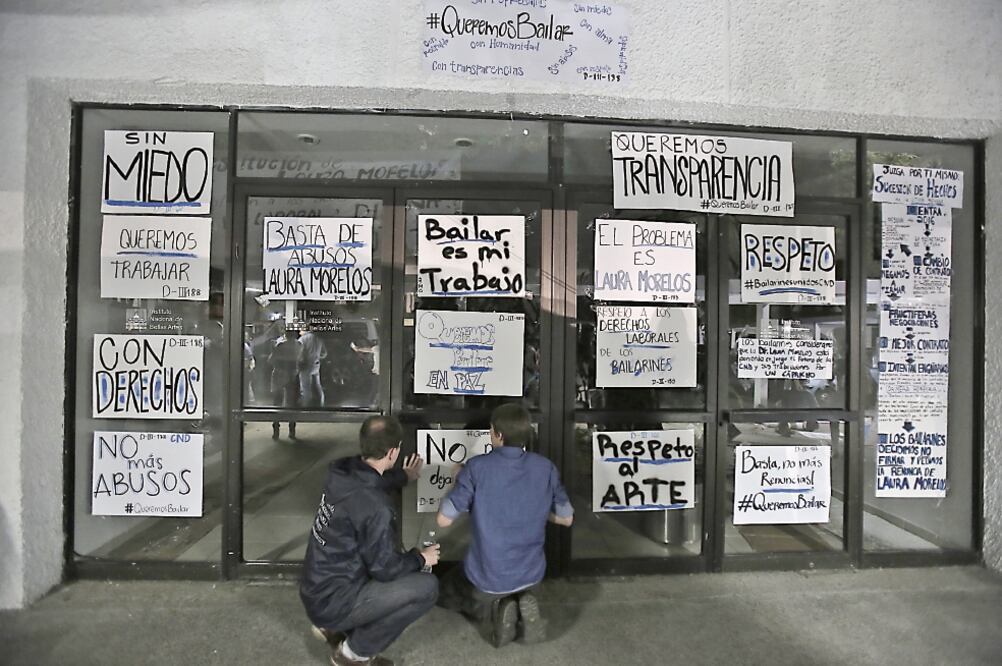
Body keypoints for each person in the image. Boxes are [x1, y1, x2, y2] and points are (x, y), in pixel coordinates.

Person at [301, 416, 440, 666]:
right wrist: (421, 557)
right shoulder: (377, 508)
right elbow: (386, 569)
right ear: (394, 451)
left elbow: (368, 483)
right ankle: (353, 653)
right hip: (335, 600)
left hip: (316, 588)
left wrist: (404, 476)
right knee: (426, 587)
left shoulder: (341, 470)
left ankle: (330, 629)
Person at [436, 403, 573, 648]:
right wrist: (539, 509)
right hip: (533, 573)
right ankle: (520, 604)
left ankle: (496, 610)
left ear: (497, 434)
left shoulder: (476, 468)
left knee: (449, 589)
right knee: (515, 579)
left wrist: (455, 481)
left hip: (488, 575)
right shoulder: (545, 467)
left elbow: (443, 519)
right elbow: (566, 518)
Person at [269, 323, 302, 439]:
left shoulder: (280, 346)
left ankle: (276, 430)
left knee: (277, 403)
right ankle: (292, 431)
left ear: (286, 334)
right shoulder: (299, 345)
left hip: (279, 375)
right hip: (293, 375)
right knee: (292, 404)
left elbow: (271, 360)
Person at [298, 324, 328, 407]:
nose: (299, 331)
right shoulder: (319, 339)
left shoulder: (302, 339)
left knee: (305, 387)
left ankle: (306, 405)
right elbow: (324, 353)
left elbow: (300, 353)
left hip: (305, 365)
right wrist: (317, 356)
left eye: (301, 329)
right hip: (316, 364)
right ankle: (321, 403)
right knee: (318, 385)